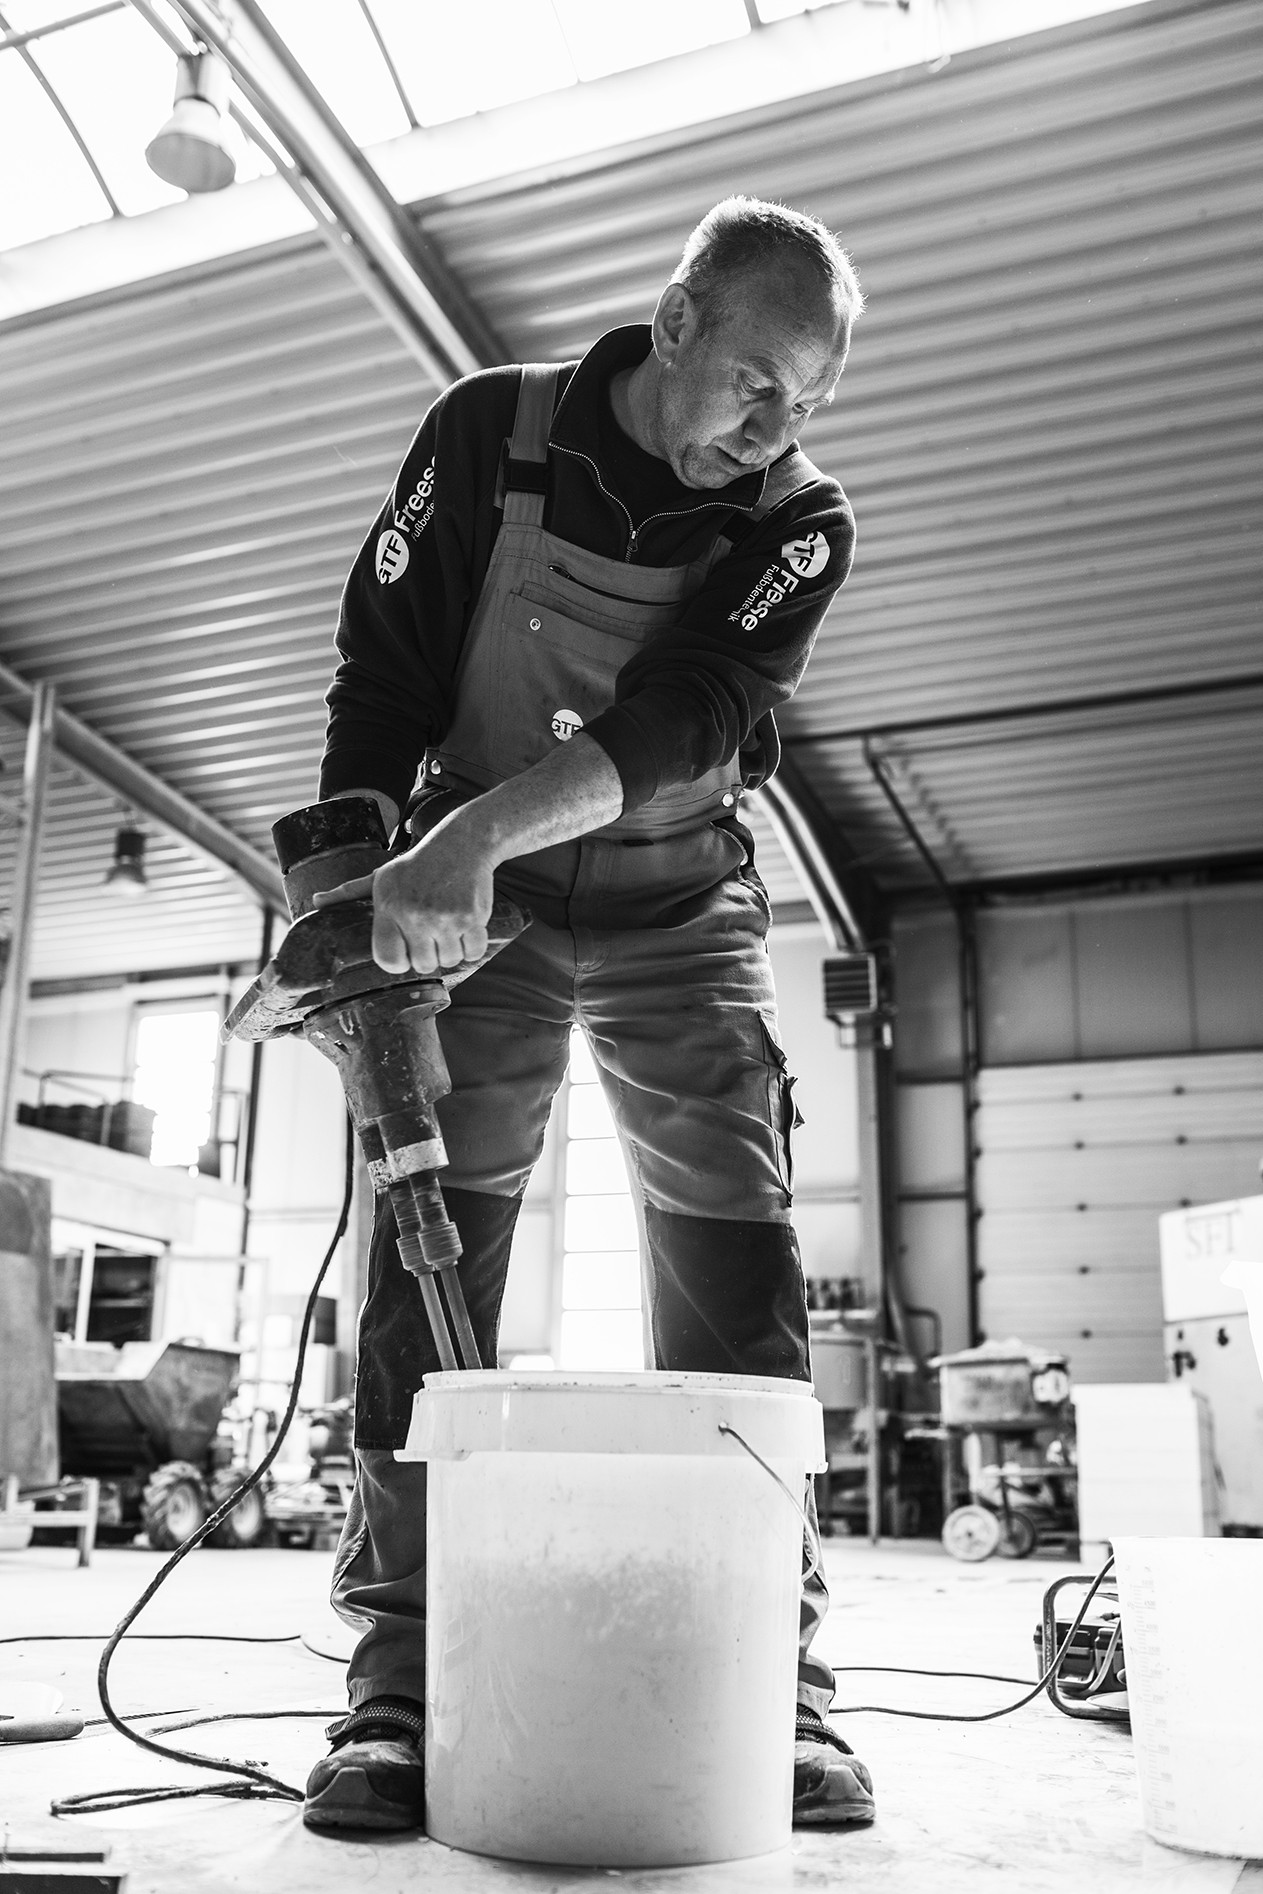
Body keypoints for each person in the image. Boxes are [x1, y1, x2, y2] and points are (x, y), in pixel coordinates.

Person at [302, 195, 873, 1836]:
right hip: (460, 903)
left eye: (808, 401)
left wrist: (468, 837)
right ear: (677, 321)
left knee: (734, 1252)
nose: (776, 427)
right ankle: (401, 1688)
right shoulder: (492, 434)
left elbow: (691, 718)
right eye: (758, 380)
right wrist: (352, 898)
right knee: (432, 1254)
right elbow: (383, 680)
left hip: (676, 898)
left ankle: (775, 1682)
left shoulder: (801, 522)